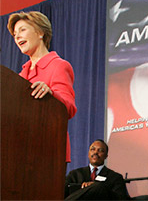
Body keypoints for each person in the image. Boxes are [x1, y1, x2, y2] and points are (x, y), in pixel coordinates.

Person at [7, 11, 77, 162]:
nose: (17, 36)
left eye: (22, 30)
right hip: (20, 150)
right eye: (14, 34)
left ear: (40, 33)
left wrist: (51, 93)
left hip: (48, 150)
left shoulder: (58, 66)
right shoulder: (20, 76)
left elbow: (69, 108)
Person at [64, 139, 130, 200]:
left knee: (98, 186)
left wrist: (97, 188)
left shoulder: (115, 178)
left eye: (100, 150)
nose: (95, 152)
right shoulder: (74, 174)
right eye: (92, 149)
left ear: (106, 156)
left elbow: (121, 198)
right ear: (88, 153)